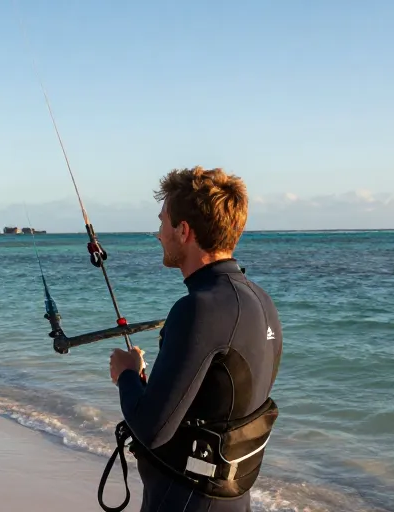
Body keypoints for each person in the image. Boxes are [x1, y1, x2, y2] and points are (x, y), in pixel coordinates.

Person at [107, 167, 283, 512]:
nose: (158, 234)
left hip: (185, 500)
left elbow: (151, 429)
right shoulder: (261, 299)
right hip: (232, 498)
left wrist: (127, 374)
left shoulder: (198, 309)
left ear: (183, 231)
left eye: (162, 223)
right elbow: (217, 404)